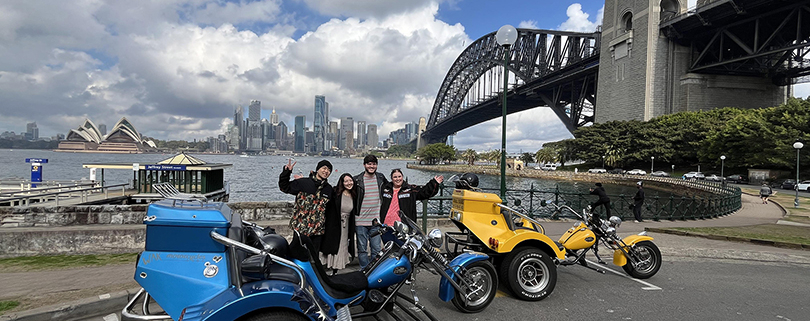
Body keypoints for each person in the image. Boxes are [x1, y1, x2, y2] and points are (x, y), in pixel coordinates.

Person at [278, 159, 333, 252]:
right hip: (301, 227)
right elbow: (284, 187)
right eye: (324, 168)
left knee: (313, 257)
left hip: (317, 230)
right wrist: (286, 172)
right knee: (296, 254)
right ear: (318, 169)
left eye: (329, 170)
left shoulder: (328, 189)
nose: (326, 171)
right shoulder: (303, 183)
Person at [379, 168, 443, 244]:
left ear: (402, 177)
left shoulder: (410, 189)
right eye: (395, 177)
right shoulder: (386, 189)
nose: (397, 179)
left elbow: (424, 192)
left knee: (404, 250)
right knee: (389, 250)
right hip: (387, 226)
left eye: (399, 176)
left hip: (403, 228)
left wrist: (434, 183)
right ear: (391, 178)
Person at [353, 155, 388, 269]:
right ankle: (364, 270)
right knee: (362, 249)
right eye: (369, 164)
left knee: (376, 249)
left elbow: (392, 188)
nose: (371, 166)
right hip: (360, 221)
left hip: (376, 221)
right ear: (364, 165)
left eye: (374, 164)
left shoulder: (381, 178)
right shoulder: (357, 180)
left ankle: (374, 270)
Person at [321, 173, 357, 275]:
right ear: (342, 182)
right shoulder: (335, 193)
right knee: (333, 247)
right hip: (334, 225)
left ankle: (335, 271)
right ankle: (327, 269)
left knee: (342, 247)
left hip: (346, 226)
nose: (349, 183)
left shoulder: (354, 195)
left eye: (350, 181)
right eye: (346, 181)